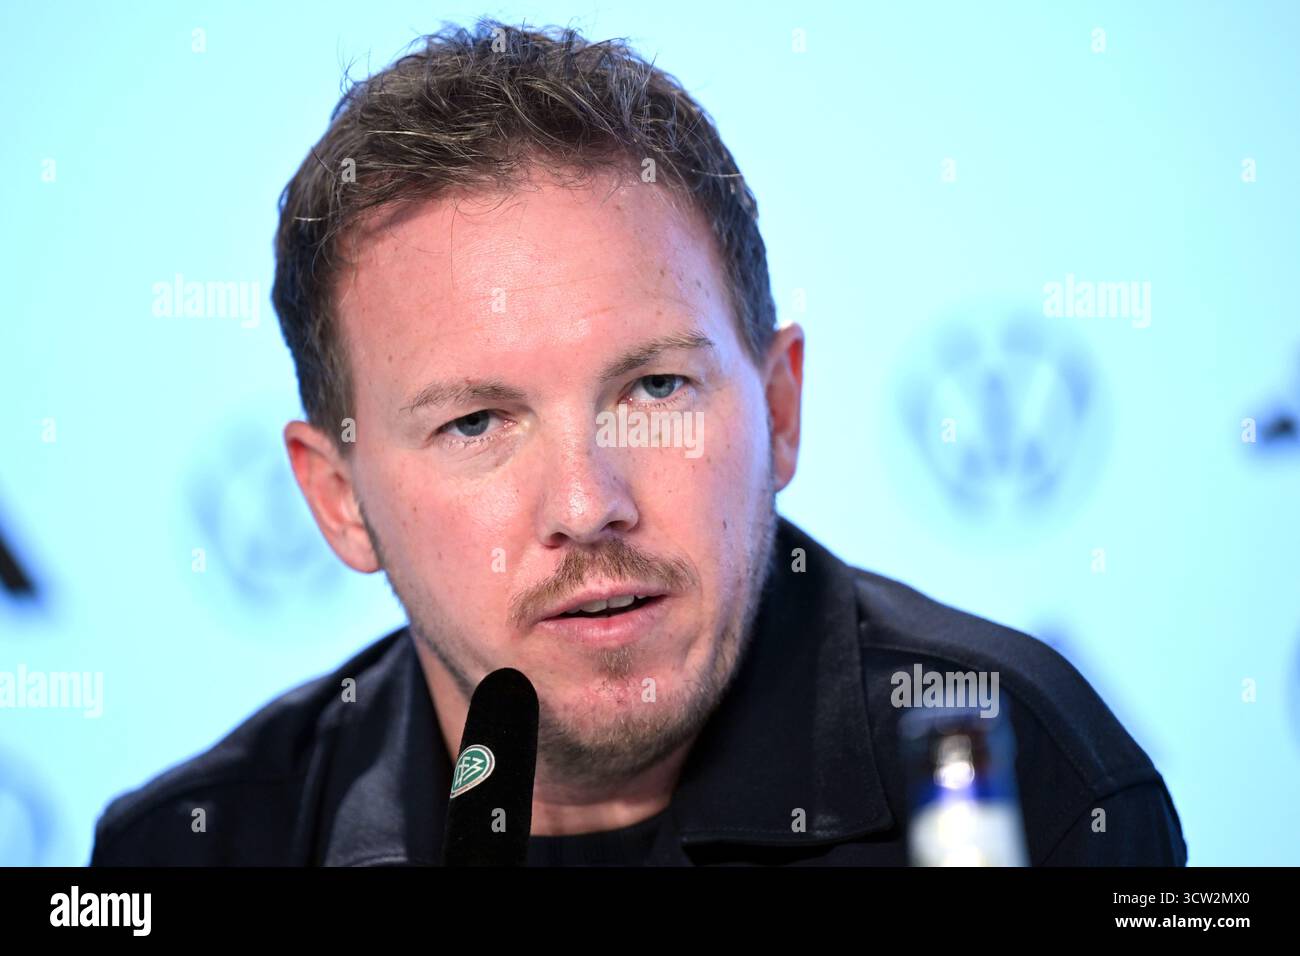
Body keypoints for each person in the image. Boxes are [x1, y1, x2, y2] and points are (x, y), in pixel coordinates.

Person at [90, 19, 1185, 866]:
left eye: (654, 386)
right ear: (338, 500)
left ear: (780, 408)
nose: (585, 499)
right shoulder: (194, 847)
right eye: (475, 421)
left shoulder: (1033, 784)